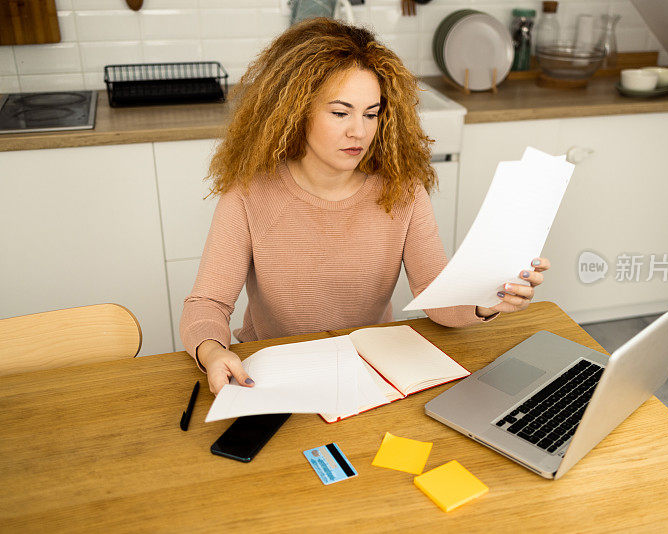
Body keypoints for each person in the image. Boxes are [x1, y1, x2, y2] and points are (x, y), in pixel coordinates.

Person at [180, 17, 551, 395]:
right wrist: (211, 351)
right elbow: (207, 302)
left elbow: (437, 296)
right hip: (274, 373)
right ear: (295, 111)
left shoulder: (402, 192)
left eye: (371, 114)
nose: (359, 131)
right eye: (340, 113)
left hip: (366, 370)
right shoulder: (248, 195)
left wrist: (489, 300)